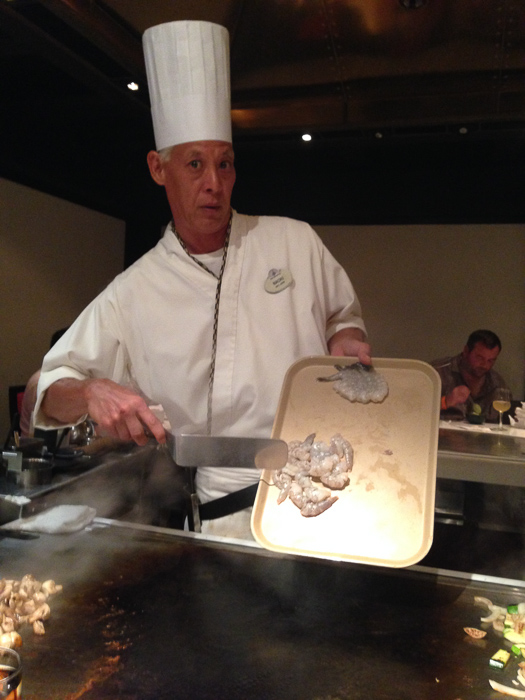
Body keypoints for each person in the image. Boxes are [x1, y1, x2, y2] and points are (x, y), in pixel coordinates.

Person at [34, 20, 371, 538]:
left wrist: (347, 339)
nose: (214, 184)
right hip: (225, 522)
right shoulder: (134, 291)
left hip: (330, 495)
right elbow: (43, 392)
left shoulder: (293, 241)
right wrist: (92, 391)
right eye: (194, 164)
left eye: (224, 164)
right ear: (158, 168)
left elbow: (342, 319)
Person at [431, 329, 509, 422]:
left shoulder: (497, 383)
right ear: (466, 351)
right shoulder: (436, 373)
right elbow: (416, 408)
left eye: (490, 360)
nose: (484, 365)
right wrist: (445, 401)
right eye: (479, 358)